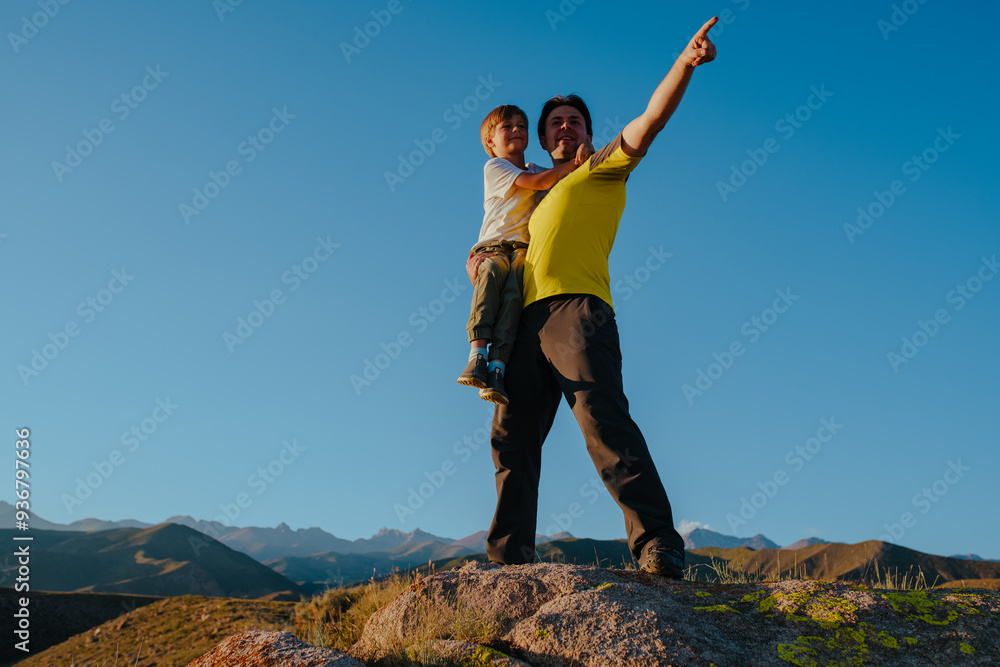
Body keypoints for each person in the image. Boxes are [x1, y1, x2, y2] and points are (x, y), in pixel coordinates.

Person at [469, 17, 718, 577]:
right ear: (542, 136)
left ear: (587, 133)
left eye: (573, 121)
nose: (563, 128)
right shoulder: (531, 191)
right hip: (519, 326)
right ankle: (508, 561)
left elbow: (650, 120)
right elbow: (499, 240)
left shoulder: (600, 171)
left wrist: (684, 63)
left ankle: (657, 542)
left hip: (576, 311)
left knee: (602, 421)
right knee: (510, 439)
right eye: (553, 122)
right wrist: (478, 259)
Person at [458, 104, 592, 405]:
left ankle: (497, 369)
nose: (517, 129)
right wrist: (572, 166)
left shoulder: (535, 167)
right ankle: (477, 353)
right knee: (490, 276)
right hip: (494, 246)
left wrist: (585, 151)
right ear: (491, 142)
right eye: (508, 126)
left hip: (521, 252)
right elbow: (540, 184)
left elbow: (566, 180)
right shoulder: (496, 167)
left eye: (522, 125)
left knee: (513, 302)